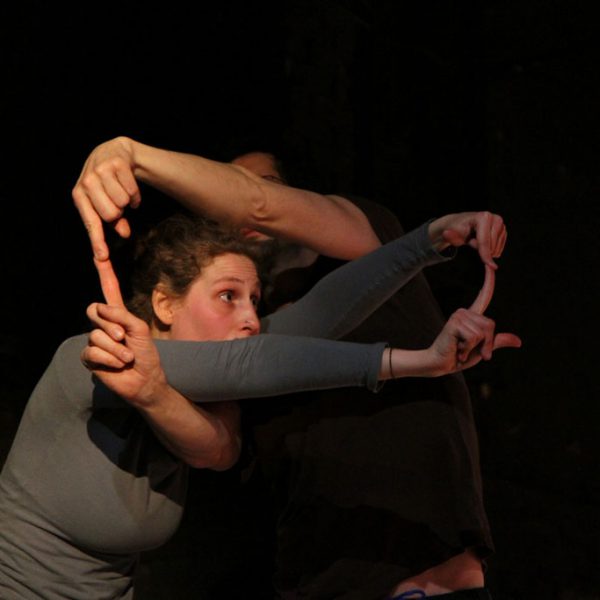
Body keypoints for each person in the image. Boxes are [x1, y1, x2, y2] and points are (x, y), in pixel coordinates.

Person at [72, 137, 514, 599]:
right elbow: (218, 445)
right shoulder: (241, 331)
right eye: (224, 185)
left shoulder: (366, 241)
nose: (233, 197)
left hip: (420, 574)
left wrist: (131, 153)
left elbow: (257, 206)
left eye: (260, 181)